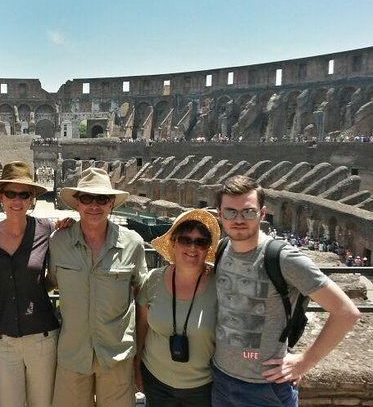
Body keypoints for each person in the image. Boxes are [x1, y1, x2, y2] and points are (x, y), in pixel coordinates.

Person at [212, 175, 360, 407]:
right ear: (219, 214)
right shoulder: (221, 249)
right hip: (221, 379)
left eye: (248, 212)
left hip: (266, 389)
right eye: (230, 212)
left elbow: (346, 312)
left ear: (262, 214)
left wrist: (303, 362)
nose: (239, 219)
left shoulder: (283, 258)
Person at [49, 167, 148, 407]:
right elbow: (47, 284)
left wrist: (140, 357)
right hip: (73, 355)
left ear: (111, 203)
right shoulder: (59, 241)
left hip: (116, 356)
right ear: (77, 204)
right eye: (87, 198)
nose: (95, 205)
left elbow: (143, 301)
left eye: (102, 199)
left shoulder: (132, 243)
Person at [0, 161, 72, 407]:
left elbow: (58, 271)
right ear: (1, 196)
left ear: (32, 198)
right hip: (1, 339)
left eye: (24, 194)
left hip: (42, 336)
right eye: (11, 193)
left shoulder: (48, 230)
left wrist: (71, 228)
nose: (17, 200)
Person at [135, 209, 220, 407]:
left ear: (207, 247)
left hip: (204, 388)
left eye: (200, 241)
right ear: (173, 242)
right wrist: (136, 366)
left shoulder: (220, 284)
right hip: (156, 383)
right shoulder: (154, 279)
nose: (192, 247)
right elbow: (141, 326)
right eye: (185, 240)